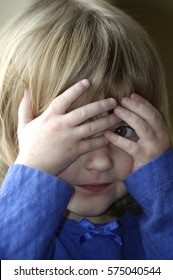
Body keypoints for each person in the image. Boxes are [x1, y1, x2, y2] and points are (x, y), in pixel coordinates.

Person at [0, 0, 172, 260]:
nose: (101, 162)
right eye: (74, 134)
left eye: (123, 131)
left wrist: (160, 186)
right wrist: (33, 177)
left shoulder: (158, 218)